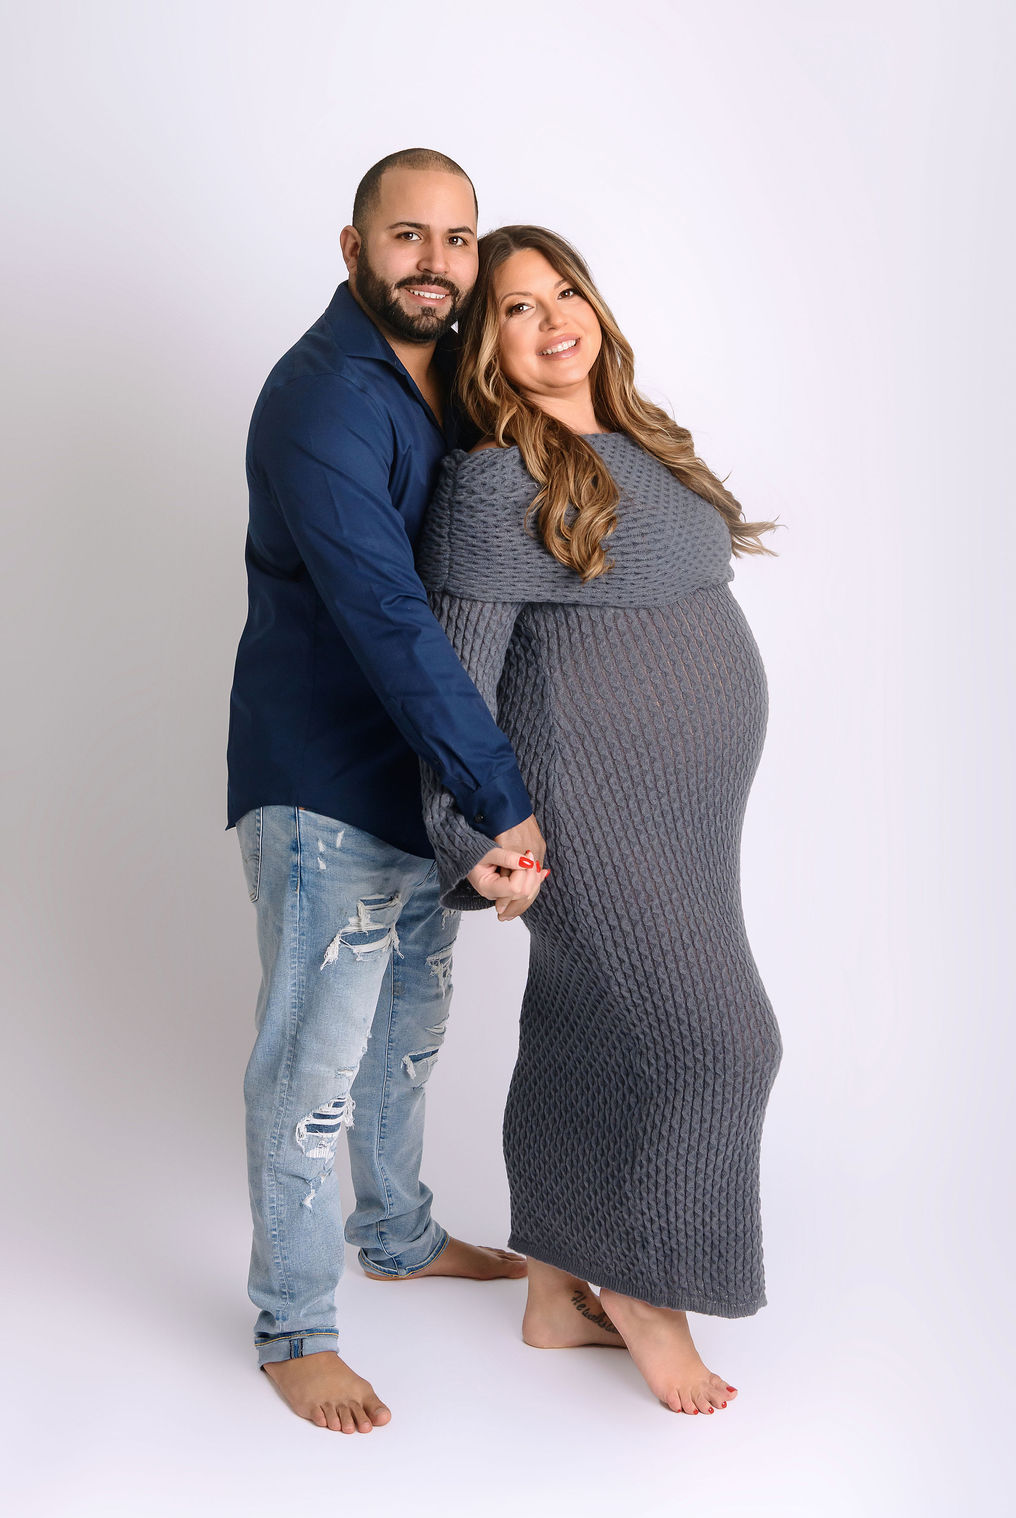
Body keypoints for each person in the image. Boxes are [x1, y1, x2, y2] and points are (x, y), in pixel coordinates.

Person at [416, 225, 785, 1416]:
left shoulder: (643, 440)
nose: (551, 318)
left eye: (563, 292)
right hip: (587, 803)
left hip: (686, 810)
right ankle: (642, 1292)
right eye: (516, 308)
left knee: (588, 1028)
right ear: (486, 347)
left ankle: (551, 1289)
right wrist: (480, 835)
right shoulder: (491, 481)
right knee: (720, 1044)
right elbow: (455, 687)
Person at [226, 153, 551, 1435]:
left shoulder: (442, 379)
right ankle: (293, 1327)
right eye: (407, 235)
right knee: (309, 1066)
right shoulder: (324, 400)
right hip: (323, 789)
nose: (437, 261)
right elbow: (389, 616)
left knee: (406, 1036)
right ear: (352, 246)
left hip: (416, 788)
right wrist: (502, 797)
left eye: (458, 239)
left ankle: (402, 1238)